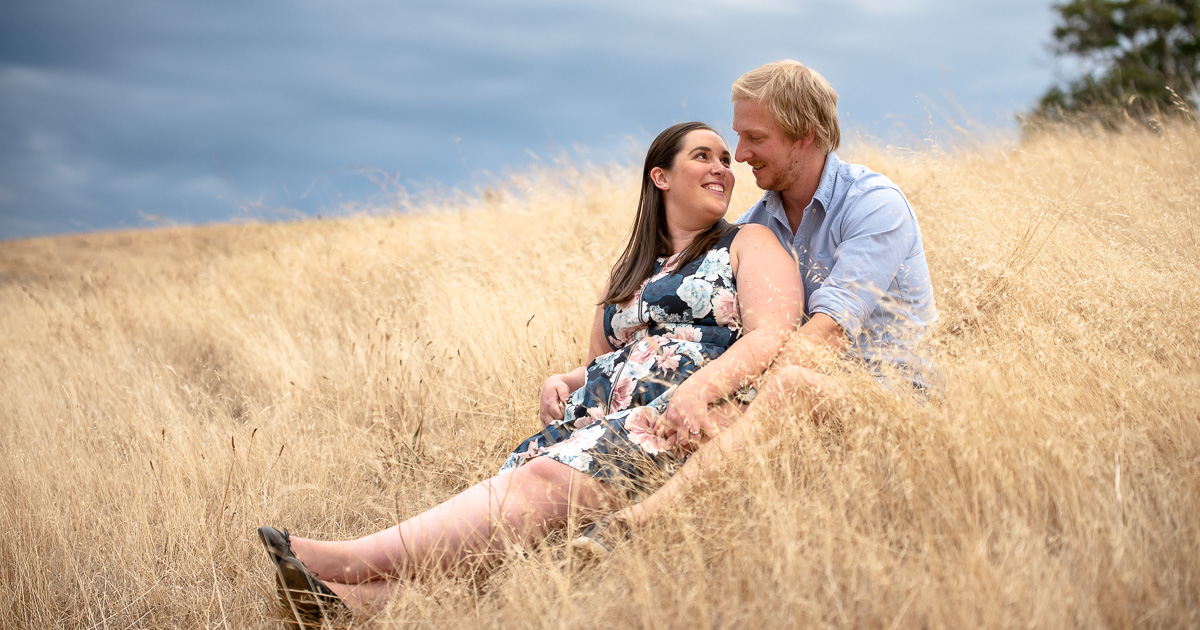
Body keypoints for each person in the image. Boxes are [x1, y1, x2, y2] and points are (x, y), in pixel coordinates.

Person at [256, 121, 804, 621]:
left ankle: (343, 560)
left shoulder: (747, 242)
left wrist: (699, 391)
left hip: (671, 421)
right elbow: (599, 360)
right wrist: (567, 381)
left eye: (727, 159)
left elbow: (774, 331)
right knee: (518, 544)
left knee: (538, 484)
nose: (722, 169)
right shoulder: (629, 269)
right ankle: (350, 605)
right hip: (594, 421)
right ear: (659, 176)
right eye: (703, 156)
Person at [562, 60, 938, 552]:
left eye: (753, 138)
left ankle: (639, 527)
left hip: (890, 404)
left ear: (803, 133)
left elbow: (827, 336)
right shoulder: (755, 225)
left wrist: (719, 399)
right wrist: (575, 379)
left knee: (789, 384)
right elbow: (700, 338)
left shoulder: (872, 204)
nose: (739, 156)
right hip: (793, 409)